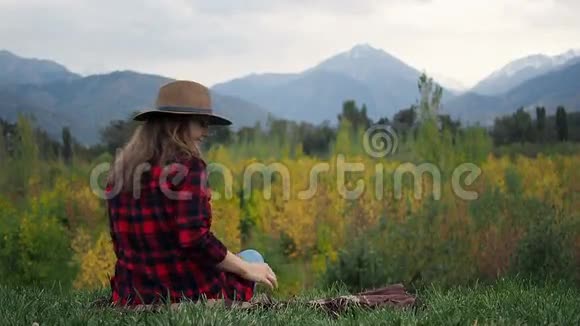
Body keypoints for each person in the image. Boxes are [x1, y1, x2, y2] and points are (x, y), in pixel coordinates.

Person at [105, 80, 277, 306]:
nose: (206, 131)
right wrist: (245, 268)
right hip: (188, 293)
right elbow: (195, 239)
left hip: (133, 293)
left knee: (241, 262)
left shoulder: (121, 172)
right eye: (201, 122)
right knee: (253, 258)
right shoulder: (188, 167)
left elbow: (121, 244)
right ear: (178, 124)